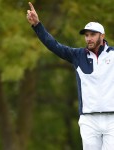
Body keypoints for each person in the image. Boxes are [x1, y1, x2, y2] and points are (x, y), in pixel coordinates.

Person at [26, 2, 114, 150]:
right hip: (89, 120)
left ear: (102, 36)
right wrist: (37, 26)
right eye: (86, 35)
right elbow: (53, 45)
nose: (88, 38)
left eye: (92, 35)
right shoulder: (78, 55)